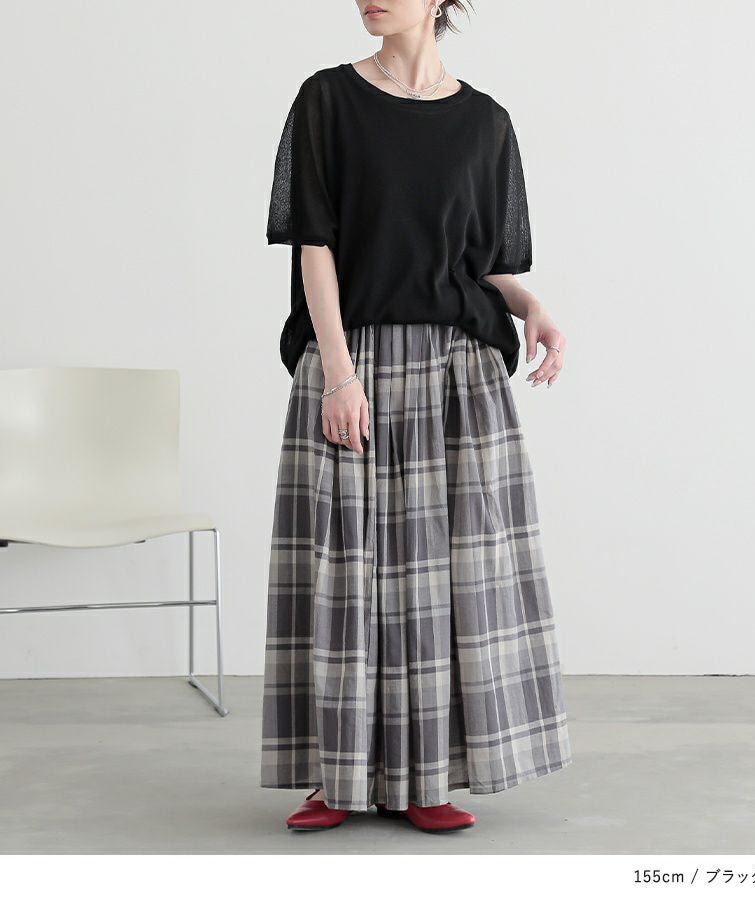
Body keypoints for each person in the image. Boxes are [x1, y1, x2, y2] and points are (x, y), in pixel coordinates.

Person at [260, 0, 573, 835]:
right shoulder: (327, 99)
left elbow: (487, 262)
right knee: (343, 571)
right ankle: (337, 776)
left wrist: (534, 308)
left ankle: (427, 776)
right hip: (350, 361)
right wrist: (338, 373)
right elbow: (315, 245)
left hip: (458, 372)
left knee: (449, 576)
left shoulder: (486, 122)